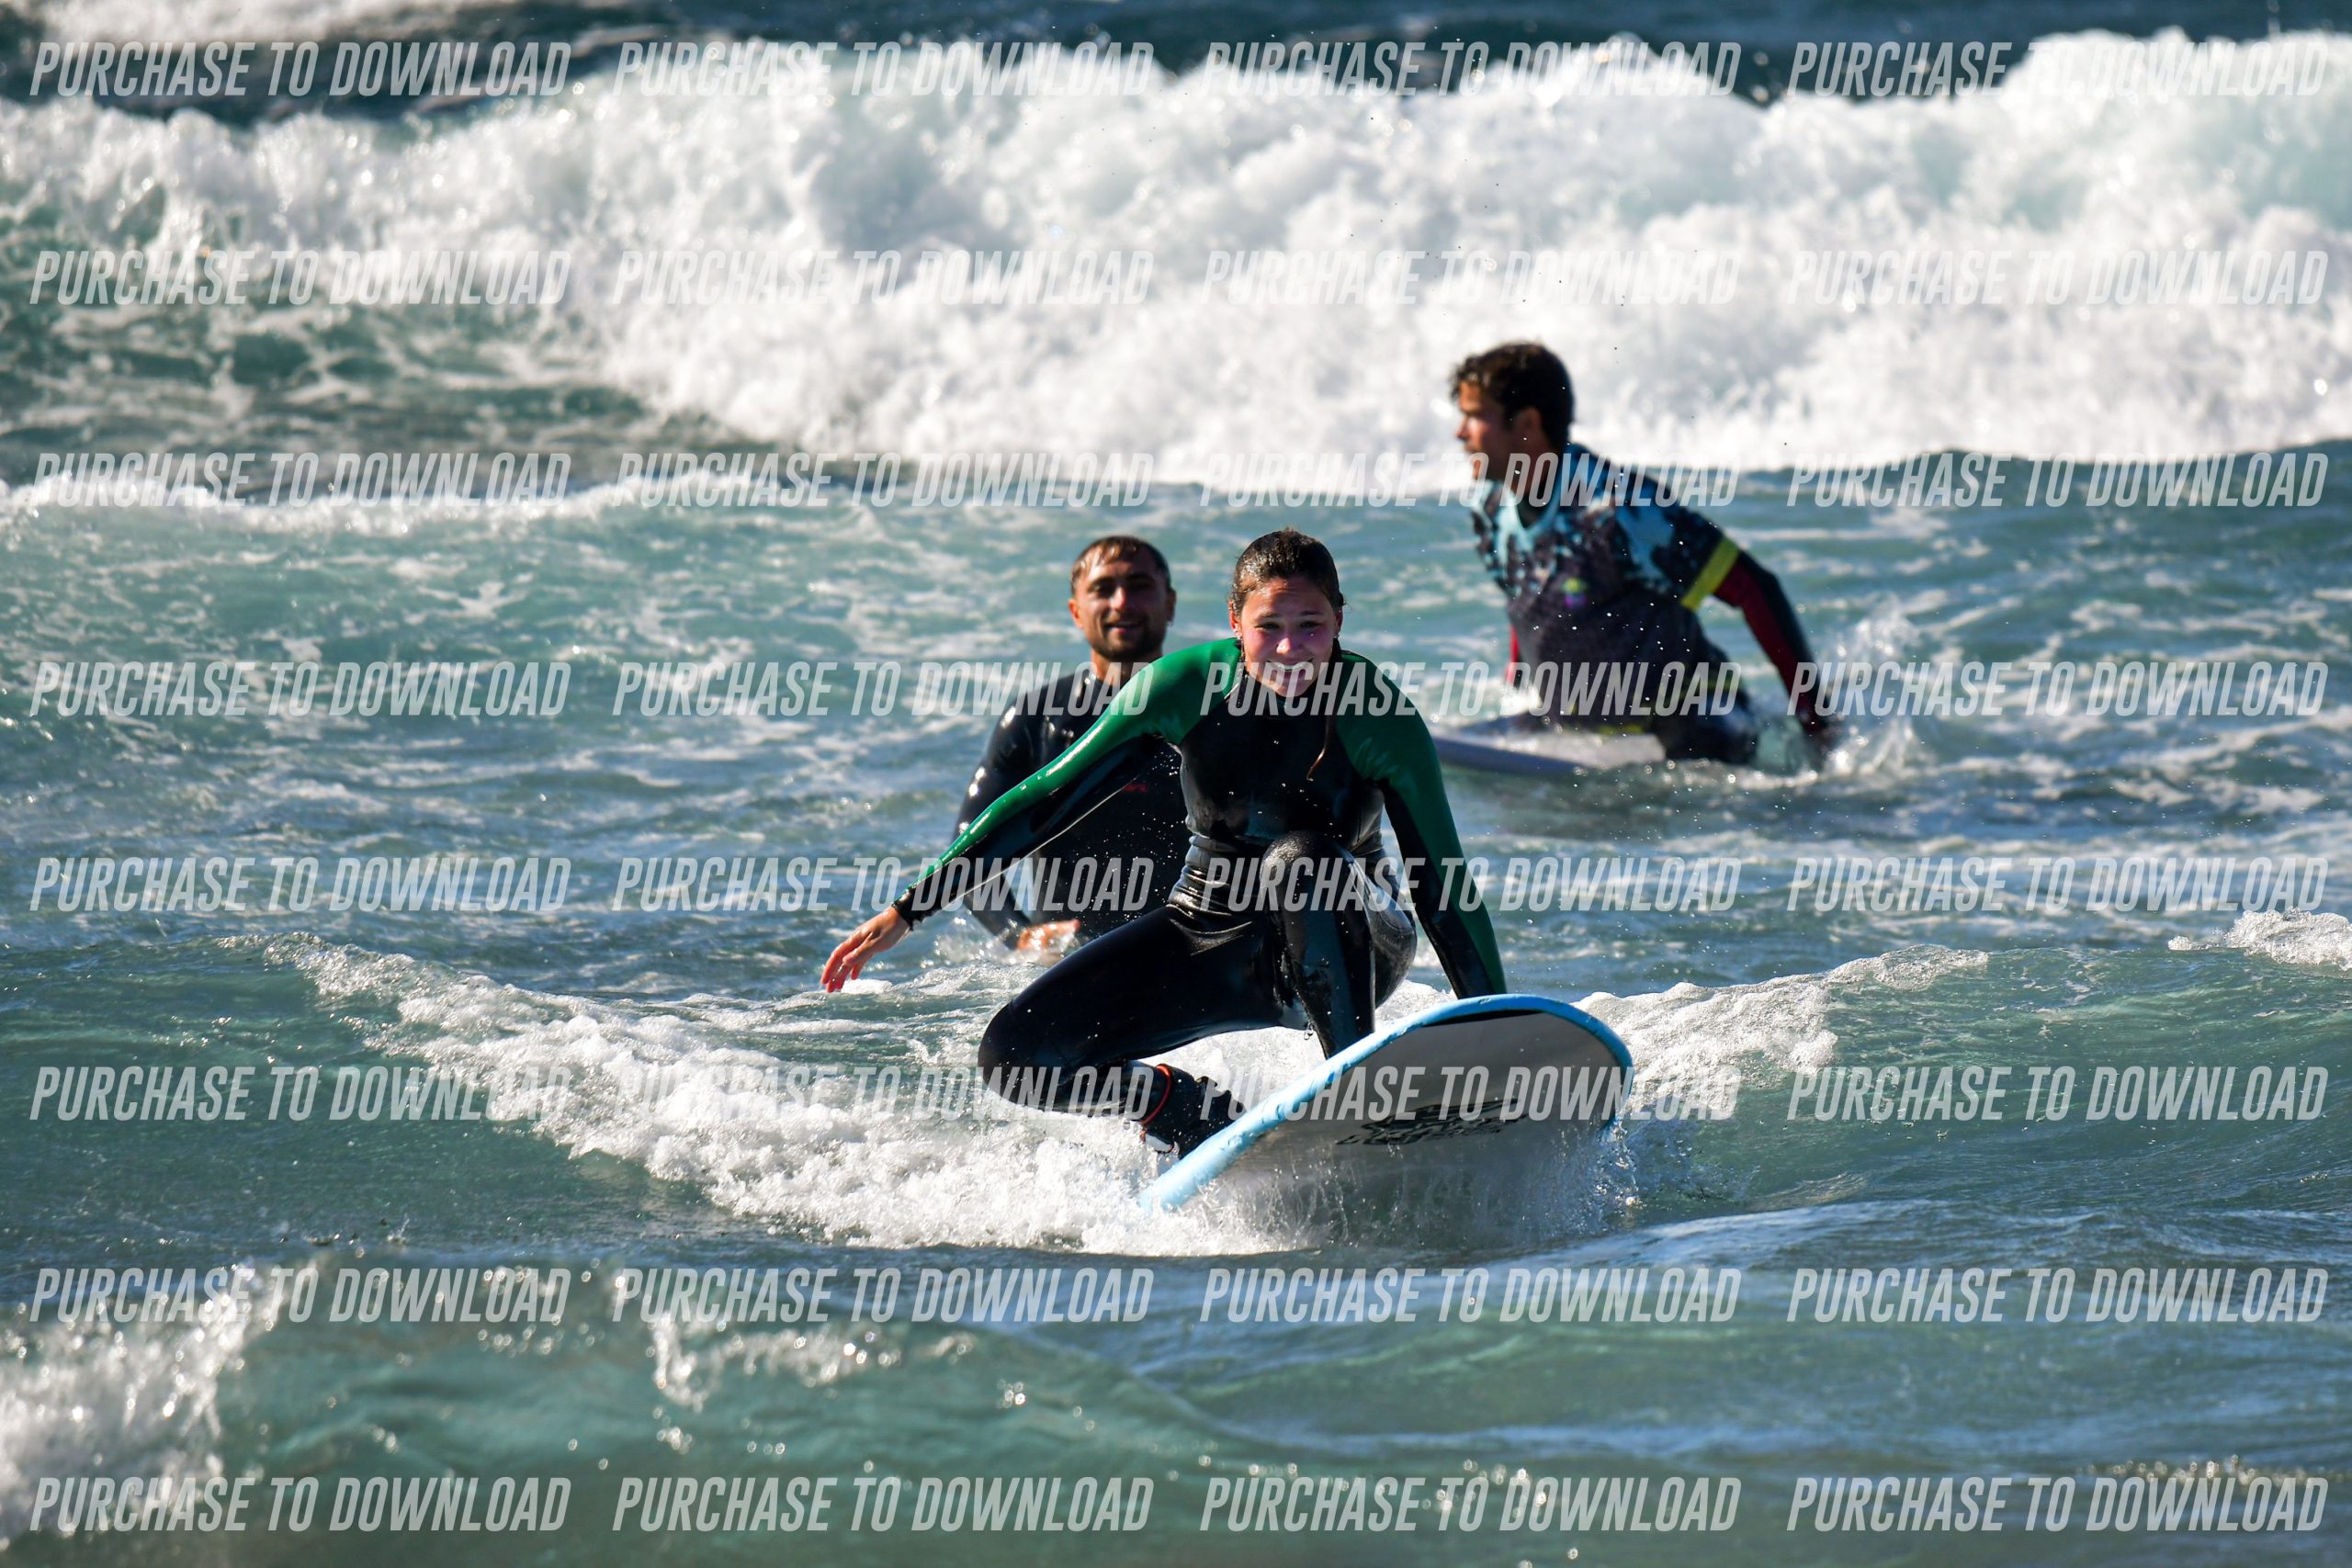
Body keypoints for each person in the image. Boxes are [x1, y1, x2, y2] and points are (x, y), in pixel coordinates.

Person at [824, 529, 1505, 1156]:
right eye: (1268, 627)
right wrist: (910, 908)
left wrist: (1500, 1034)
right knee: (1016, 1055)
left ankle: (1354, 1091)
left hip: (1356, 943)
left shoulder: (1376, 713)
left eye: (1311, 626)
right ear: (1235, 622)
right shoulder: (1185, 687)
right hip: (1214, 936)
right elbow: (1047, 799)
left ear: (1339, 622)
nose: (1290, 649)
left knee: (1301, 861)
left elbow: (1441, 887)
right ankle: (1182, 1111)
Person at [1450, 341, 1838, 762]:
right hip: (1586, 725)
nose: (1460, 433)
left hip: (1692, 714)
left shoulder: (1618, 511)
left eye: (1475, 416)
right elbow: (1528, 599)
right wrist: (1517, 686)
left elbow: (1753, 588)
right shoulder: (1491, 511)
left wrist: (1815, 721)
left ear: (1527, 423)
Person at [956, 536, 1190, 957]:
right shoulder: (1038, 720)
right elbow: (970, 850)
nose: (1122, 602)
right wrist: (1018, 935)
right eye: (1103, 589)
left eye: (1139, 586)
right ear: (1076, 611)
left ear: (1170, 603)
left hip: (1187, 956)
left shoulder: (1210, 714)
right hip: (1065, 963)